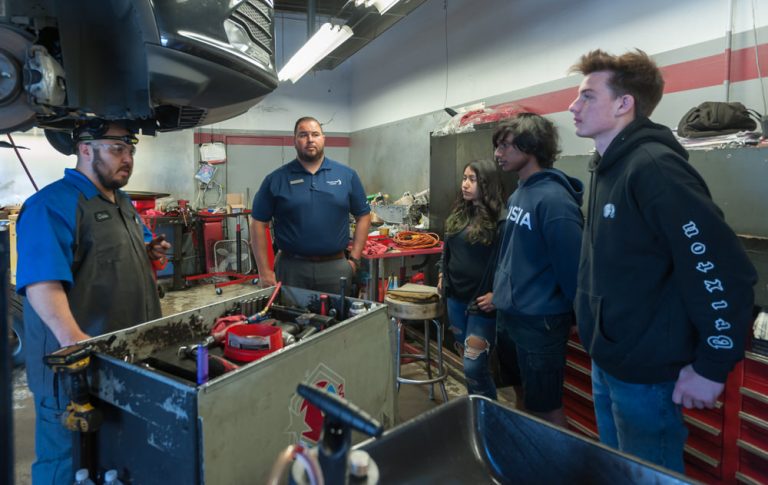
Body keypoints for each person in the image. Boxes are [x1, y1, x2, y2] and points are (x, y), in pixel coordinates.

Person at [568, 49, 757, 472]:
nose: (572, 106)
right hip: (609, 359)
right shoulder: (606, 167)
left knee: (646, 476)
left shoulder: (653, 168)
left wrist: (712, 366)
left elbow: (723, 269)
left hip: (646, 373)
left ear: (624, 103)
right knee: (618, 472)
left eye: (587, 96)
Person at [15, 119, 171, 485]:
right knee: (66, 465)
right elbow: (41, 282)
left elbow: (127, 250)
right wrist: (74, 340)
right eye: (117, 149)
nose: (127, 158)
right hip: (73, 371)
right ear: (85, 149)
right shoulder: (50, 205)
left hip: (121, 361)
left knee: (112, 461)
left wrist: (150, 252)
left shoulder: (122, 202)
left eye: (130, 149)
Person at [491, 113, 584, 426]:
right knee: (522, 397)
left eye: (506, 146)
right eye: (498, 146)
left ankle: (556, 457)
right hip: (512, 315)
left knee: (546, 408)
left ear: (531, 147)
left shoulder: (555, 201)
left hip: (539, 321)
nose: (498, 153)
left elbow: (573, 269)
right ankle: (527, 451)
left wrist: (576, 317)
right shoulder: (520, 192)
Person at [250, 116, 371, 294]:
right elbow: (258, 223)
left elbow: (364, 215)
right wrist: (264, 271)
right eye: (303, 135)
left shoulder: (346, 175)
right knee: (288, 312)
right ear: (294, 140)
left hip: (335, 269)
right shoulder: (276, 179)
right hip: (291, 269)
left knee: (337, 312)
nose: (310, 139)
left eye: (315, 134)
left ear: (323, 139)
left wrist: (354, 259)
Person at [438, 159, 506, 400]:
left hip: (481, 304)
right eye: (464, 178)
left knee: (474, 366)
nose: (465, 184)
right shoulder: (459, 214)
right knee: (467, 362)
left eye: (472, 179)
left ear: (486, 183)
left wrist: (498, 294)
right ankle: (476, 410)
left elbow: (509, 262)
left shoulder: (501, 221)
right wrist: (442, 274)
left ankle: (488, 413)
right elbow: (448, 249)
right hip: (455, 298)